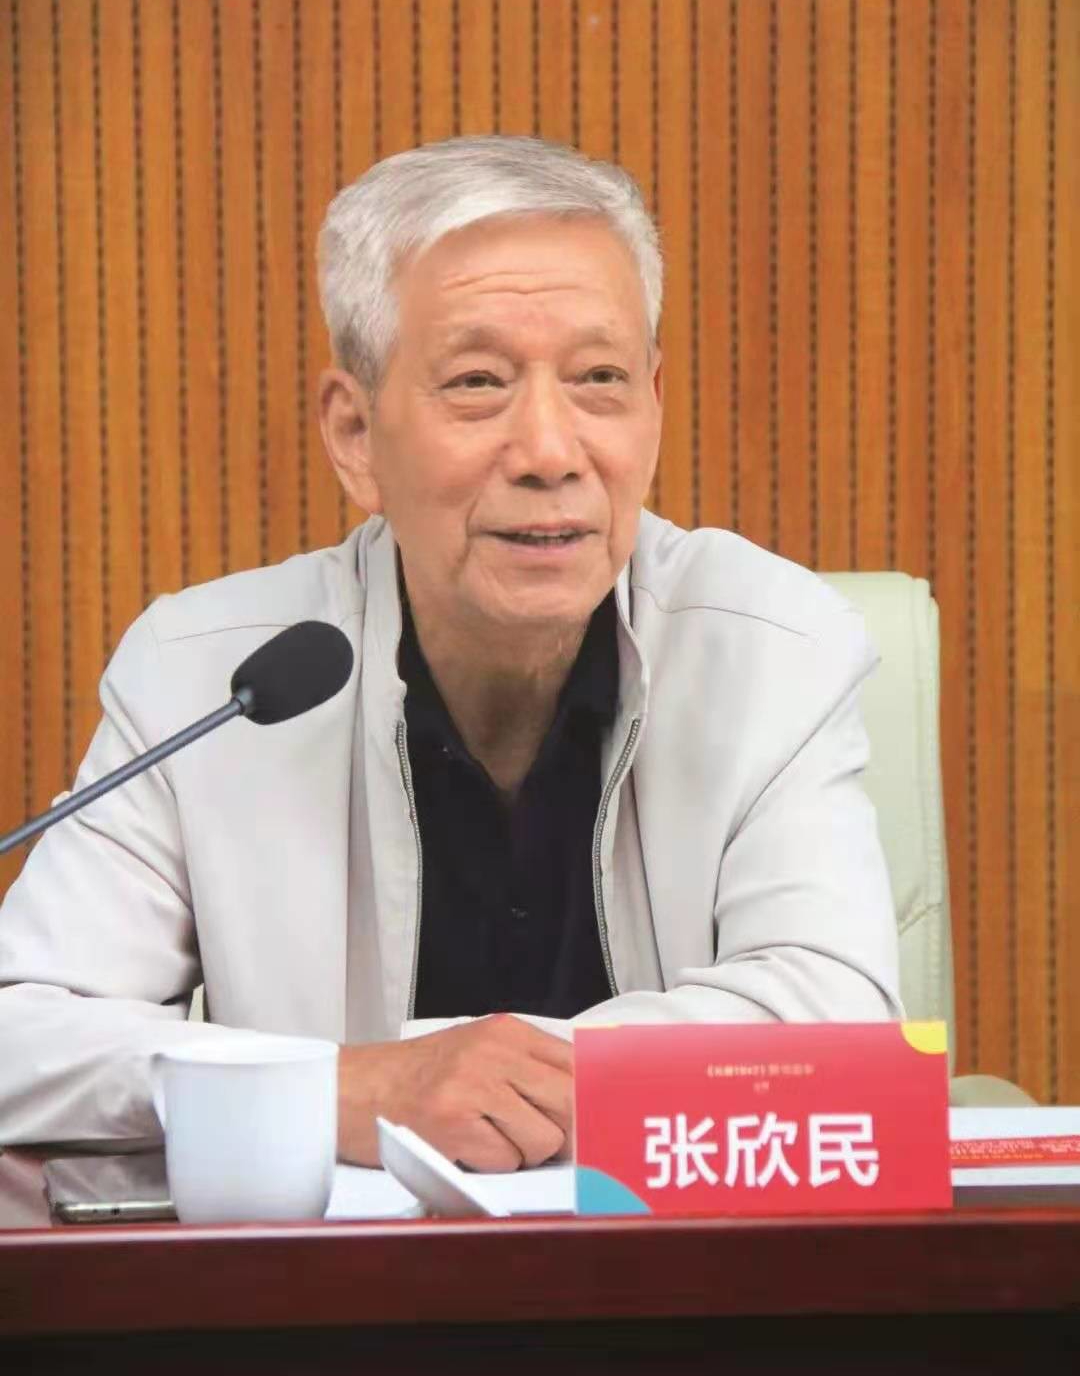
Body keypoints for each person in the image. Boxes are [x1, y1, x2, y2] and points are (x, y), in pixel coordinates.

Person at [0, 136, 899, 1171]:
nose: (552, 452)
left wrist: (486, 1077)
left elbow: (840, 1026)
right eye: (478, 382)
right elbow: (25, 1034)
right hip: (338, 1273)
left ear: (653, 401)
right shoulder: (208, 676)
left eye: (599, 378)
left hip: (669, 1264)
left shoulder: (771, 646)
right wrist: (352, 1089)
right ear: (354, 433)